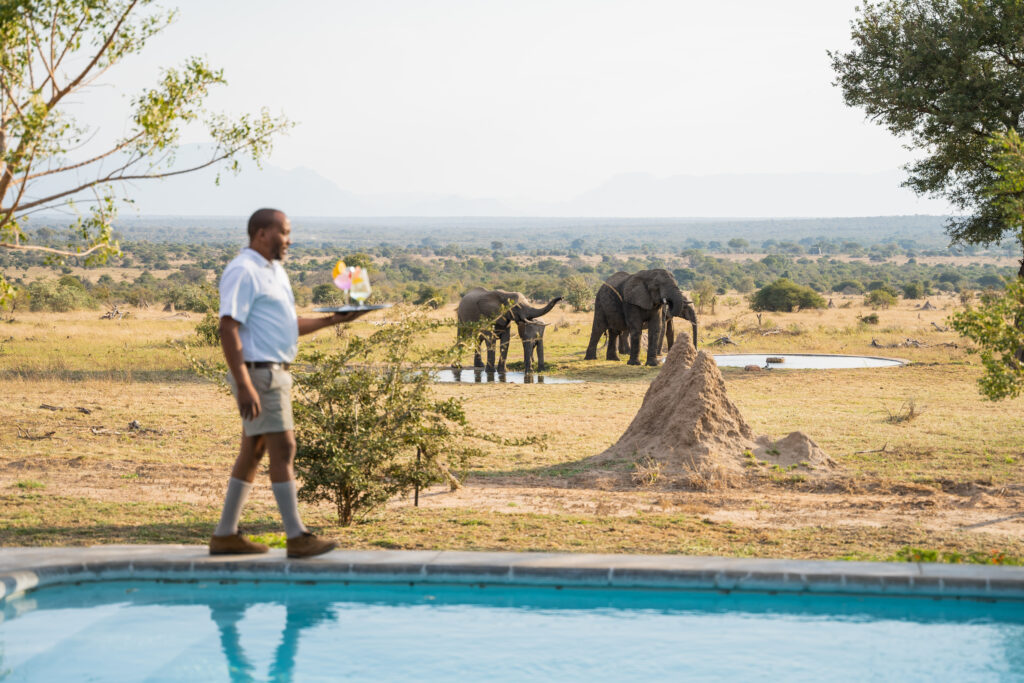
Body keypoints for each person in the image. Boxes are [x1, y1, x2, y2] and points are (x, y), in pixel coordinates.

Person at [209, 208, 367, 558]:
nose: (289, 240)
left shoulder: (275, 272)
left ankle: (225, 535)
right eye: (284, 232)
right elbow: (228, 327)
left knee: (254, 452)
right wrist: (245, 384)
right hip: (259, 373)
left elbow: (287, 325)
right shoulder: (244, 270)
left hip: (272, 370)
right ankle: (296, 536)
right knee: (284, 449)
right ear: (262, 233)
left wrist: (332, 320)